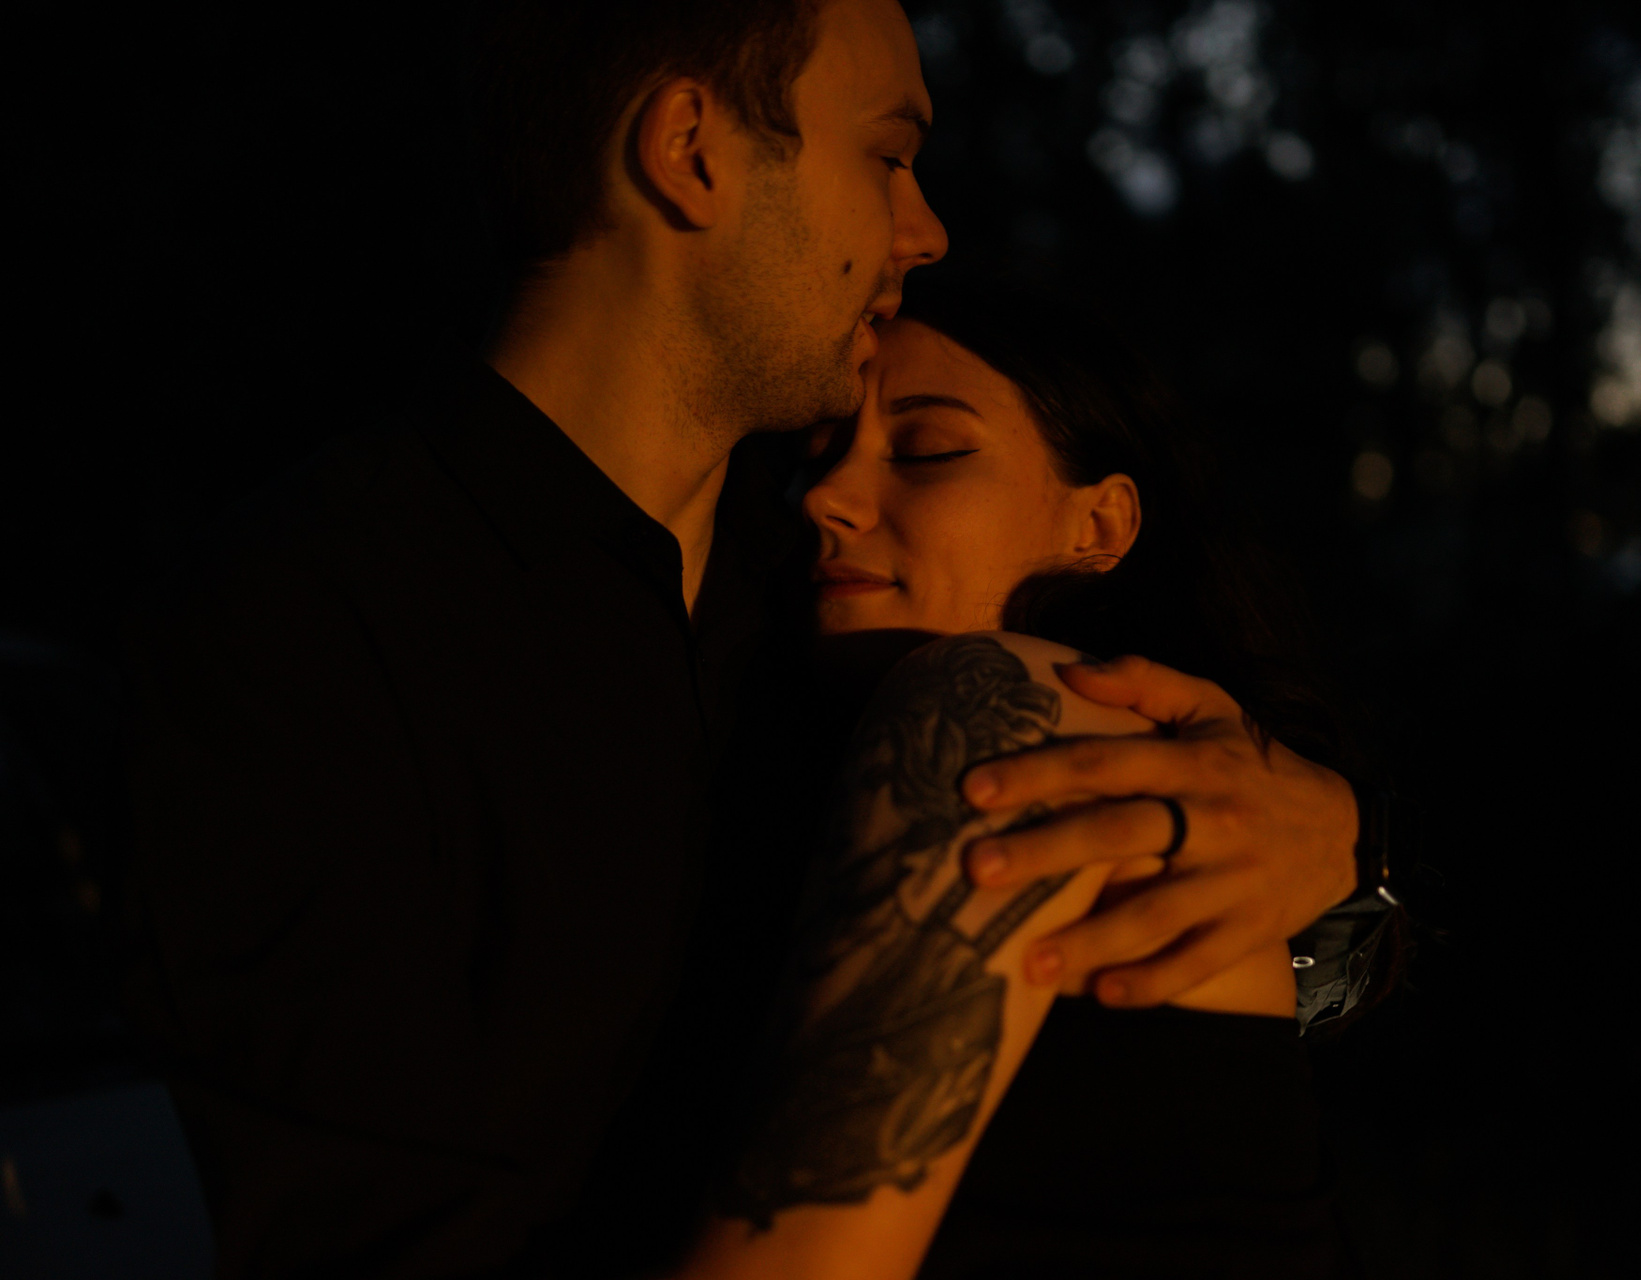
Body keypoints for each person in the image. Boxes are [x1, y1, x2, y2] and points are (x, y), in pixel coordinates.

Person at [123, 0, 1364, 1274]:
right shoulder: (305, 625)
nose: (926, 230)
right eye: (887, 155)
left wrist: (1334, 857)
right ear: (691, 150)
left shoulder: (836, 614)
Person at [788, 276, 1399, 1277]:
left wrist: (1355, 864)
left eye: (928, 450)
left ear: (1101, 525)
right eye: (814, 454)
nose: (823, 497)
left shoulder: (1024, 722)